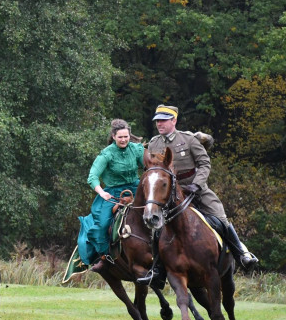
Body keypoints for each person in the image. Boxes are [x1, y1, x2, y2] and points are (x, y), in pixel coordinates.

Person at [138, 104, 257, 287]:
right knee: (157, 227)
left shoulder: (189, 140)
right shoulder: (154, 143)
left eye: (163, 120)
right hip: (169, 194)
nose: (159, 124)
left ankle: (242, 253)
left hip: (195, 189)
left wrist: (197, 184)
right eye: (157, 121)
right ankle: (157, 270)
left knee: (220, 216)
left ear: (174, 121)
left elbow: (204, 164)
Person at [77, 119, 145, 269]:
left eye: (126, 136)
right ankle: (104, 258)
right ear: (114, 136)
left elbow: (148, 166)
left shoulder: (136, 149)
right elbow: (92, 177)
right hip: (113, 193)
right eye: (120, 137)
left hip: (136, 188)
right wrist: (101, 192)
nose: (124, 140)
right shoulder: (106, 154)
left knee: (157, 212)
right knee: (102, 225)